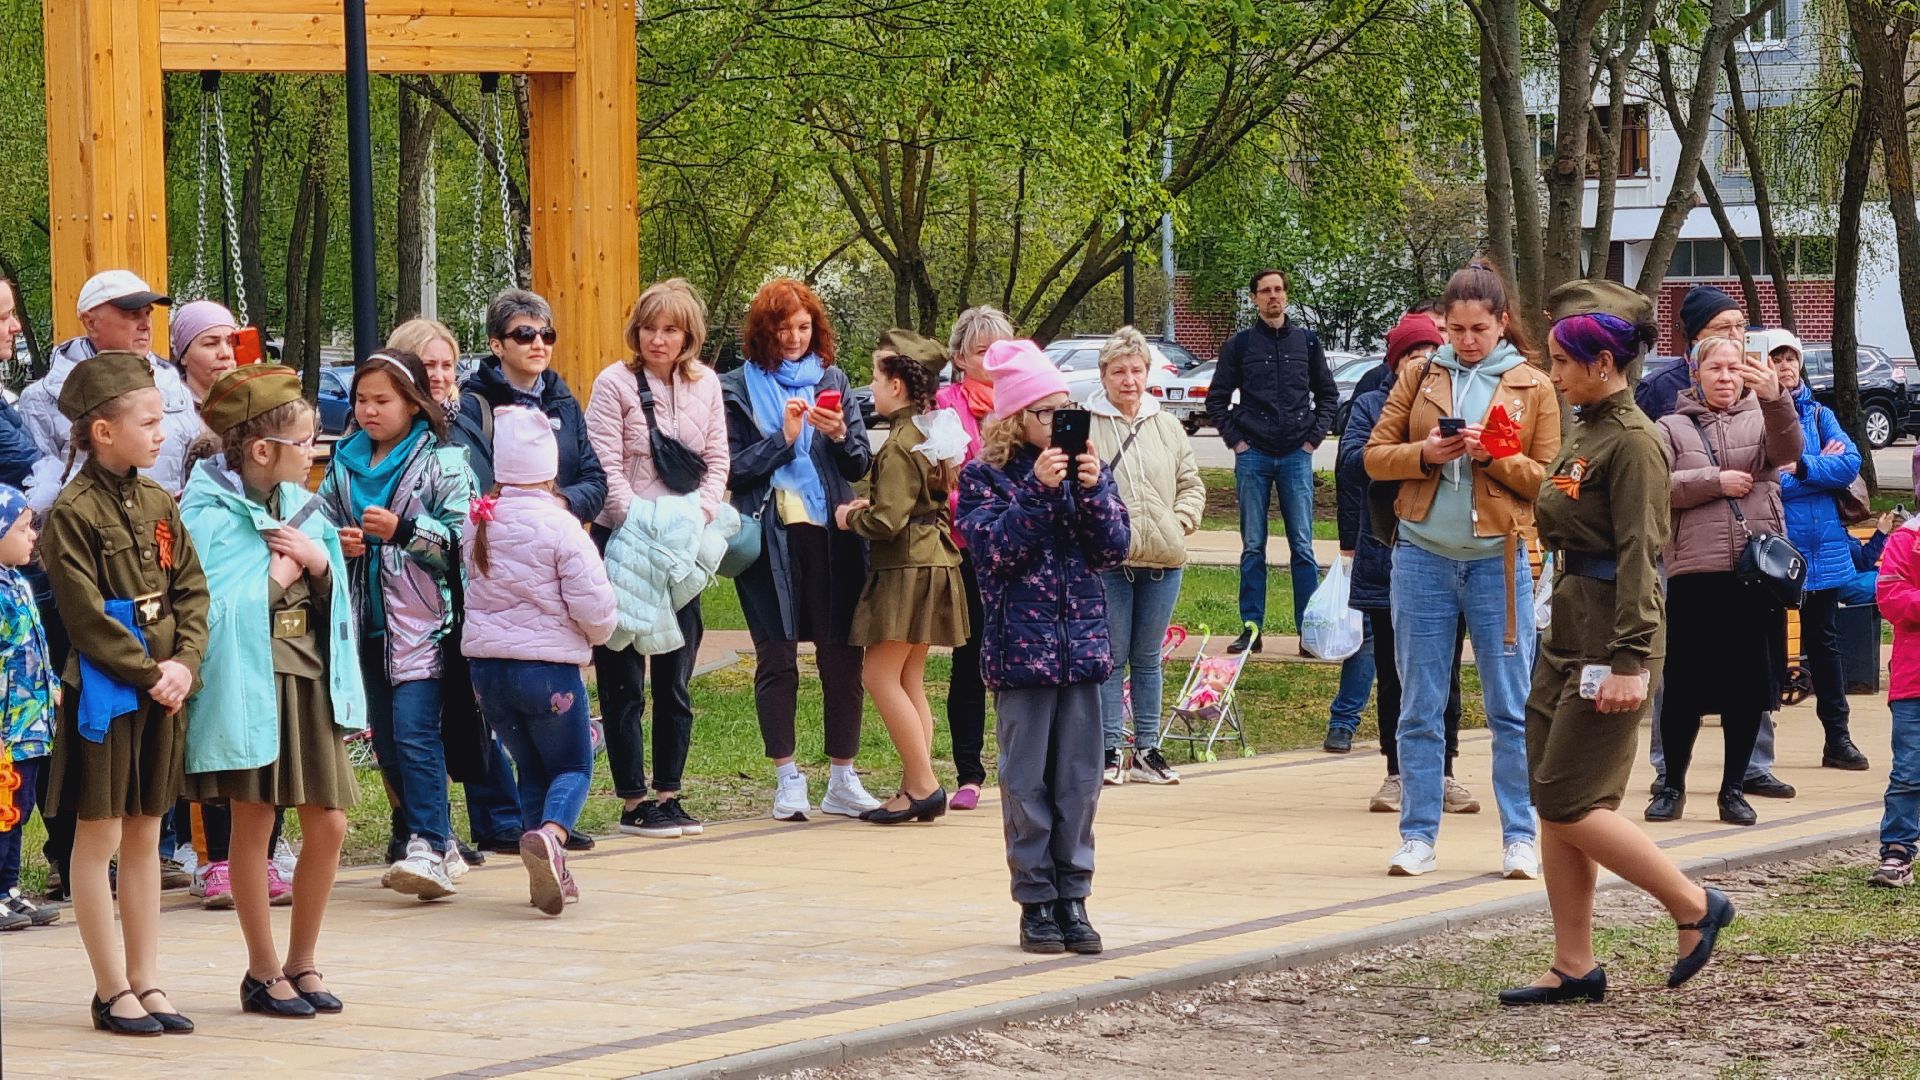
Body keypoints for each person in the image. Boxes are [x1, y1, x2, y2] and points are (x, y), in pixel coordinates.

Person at [1500, 279, 1736, 1007]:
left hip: (1613, 632)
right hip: (1568, 622)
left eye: (1566, 361)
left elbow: (1643, 552)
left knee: (1573, 799)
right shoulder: (1586, 425)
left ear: (1604, 362)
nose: (1554, 373)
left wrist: (1632, 658)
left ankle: (1695, 905)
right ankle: (1575, 965)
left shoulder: (1634, 440)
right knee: (1551, 799)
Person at [1363, 261, 1559, 879]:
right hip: (1421, 555)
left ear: (1503, 323)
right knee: (1419, 704)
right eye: (1456, 329)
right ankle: (1418, 836)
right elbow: (1372, 458)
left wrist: (1495, 454)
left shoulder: (1534, 386)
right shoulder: (1420, 376)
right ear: (1442, 326)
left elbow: (1549, 485)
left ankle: (1520, 837)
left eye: (1479, 328)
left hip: (1499, 561)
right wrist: (1425, 453)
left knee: (1509, 704)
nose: (1467, 340)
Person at [180, 365, 362, 1017]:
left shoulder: (301, 506)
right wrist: (277, 571)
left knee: (331, 821)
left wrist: (316, 566)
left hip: (306, 680)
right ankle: (262, 972)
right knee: (254, 821)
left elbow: (333, 597)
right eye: (306, 442)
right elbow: (208, 612)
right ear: (262, 451)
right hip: (250, 685)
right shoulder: (204, 514)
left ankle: (302, 962)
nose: (315, 453)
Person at [41, 351, 209, 1035]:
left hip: (162, 686)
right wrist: (152, 672)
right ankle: (110, 988)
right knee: (99, 833)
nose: (162, 431)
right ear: (103, 431)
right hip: (110, 692)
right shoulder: (71, 512)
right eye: (148, 420)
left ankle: (147, 980)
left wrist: (186, 662)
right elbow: (83, 618)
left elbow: (191, 589)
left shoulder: (157, 500)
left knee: (145, 833)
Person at [956, 339, 1130, 955]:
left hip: (1081, 651)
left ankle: (1074, 897)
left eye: (1067, 409)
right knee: (1027, 783)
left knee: (1079, 783)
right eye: (1048, 412)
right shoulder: (983, 478)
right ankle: (1036, 901)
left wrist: (1091, 493)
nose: (1062, 423)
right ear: (1015, 419)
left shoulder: (1090, 470)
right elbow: (995, 553)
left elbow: (1113, 548)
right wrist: (1035, 491)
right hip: (1020, 656)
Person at [317, 350, 476, 898]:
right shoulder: (343, 464)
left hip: (425, 629)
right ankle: (439, 840)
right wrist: (338, 544)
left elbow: (464, 543)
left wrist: (405, 530)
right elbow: (319, 525)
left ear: (413, 403)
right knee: (386, 741)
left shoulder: (445, 462)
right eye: (361, 400)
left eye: (382, 400)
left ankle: (428, 844)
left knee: (415, 735)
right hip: (363, 628)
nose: (368, 411)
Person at [722, 278, 882, 821]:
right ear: (763, 330)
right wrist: (783, 441)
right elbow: (732, 469)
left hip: (832, 534)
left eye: (804, 327)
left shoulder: (832, 379)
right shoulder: (737, 388)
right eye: (783, 327)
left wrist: (838, 434)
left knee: (843, 654)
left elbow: (859, 464)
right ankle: (787, 778)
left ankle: (842, 776)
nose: (794, 338)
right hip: (771, 536)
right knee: (777, 656)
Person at [584, 280, 730, 839]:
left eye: (670, 329)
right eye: (649, 327)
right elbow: (607, 468)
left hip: (682, 550)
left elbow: (718, 460)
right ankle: (631, 799)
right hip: (624, 543)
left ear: (688, 334)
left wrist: (697, 518)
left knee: (676, 676)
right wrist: (643, 526)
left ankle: (669, 792)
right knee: (623, 679)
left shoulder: (706, 385)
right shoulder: (613, 384)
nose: (658, 339)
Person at [1635, 287, 1793, 801]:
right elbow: (1653, 489)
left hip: (1753, 572)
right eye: (1715, 366)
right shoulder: (1667, 422)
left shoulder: (1764, 413)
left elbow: (1790, 451)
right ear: (1695, 371)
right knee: (1681, 684)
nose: (1727, 374)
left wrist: (1776, 398)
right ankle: (1671, 782)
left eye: (1734, 358)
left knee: (1750, 686)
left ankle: (1735, 787)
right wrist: (1713, 482)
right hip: (1693, 571)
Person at [463, 406, 617, 915]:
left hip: (488, 673)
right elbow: (594, 604)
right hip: (547, 670)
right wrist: (599, 636)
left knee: (529, 764)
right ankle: (553, 835)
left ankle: (547, 868)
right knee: (574, 762)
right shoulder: (562, 525)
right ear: (551, 469)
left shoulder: (479, 520)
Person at [392, 316, 524, 862]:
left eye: (448, 365)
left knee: (475, 706)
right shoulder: (391, 433)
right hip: (412, 595)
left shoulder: (469, 417)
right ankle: (426, 831)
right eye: (429, 365)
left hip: (472, 581)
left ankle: (499, 817)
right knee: (415, 722)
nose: (442, 376)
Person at [1338, 312, 1475, 813]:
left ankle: (1445, 772)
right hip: (1387, 554)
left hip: (1450, 553)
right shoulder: (1372, 404)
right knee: (1395, 671)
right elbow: (1351, 464)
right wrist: (1416, 452)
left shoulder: (1460, 402)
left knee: (1446, 674)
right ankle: (1396, 772)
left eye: (1430, 356)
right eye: (1413, 356)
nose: (1423, 365)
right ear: (1396, 362)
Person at [839, 330, 969, 823]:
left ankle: (922, 784)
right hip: (934, 561)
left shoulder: (898, 444)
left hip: (907, 569)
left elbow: (887, 521)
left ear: (896, 386)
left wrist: (849, 516)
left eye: (875, 376)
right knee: (909, 675)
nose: (870, 386)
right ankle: (914, 783)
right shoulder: (930, 433)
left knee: (877, 673)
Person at [1087, 326, 1202, 786]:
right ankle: (1111, 747)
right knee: (1112, 657)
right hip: (1111, 560)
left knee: (1148, 657)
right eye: (1119, 371)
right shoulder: (1088, 423)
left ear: (1148, 372)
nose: (1128, 380)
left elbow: (1191, 483)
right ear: (1104, 375)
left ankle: (1149, 749)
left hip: (1163, 558)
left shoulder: (1167, 425)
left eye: (1136, 370)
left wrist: (1181, 521)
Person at [1206, 269, 1337, 654]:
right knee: (1252, 546)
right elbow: (1216, 400)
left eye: (1278, 290)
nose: (1273, 296)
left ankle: (1307, 632)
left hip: (1297, 454)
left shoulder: (1307, 343)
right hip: (1254, 456)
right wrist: (1237, 442)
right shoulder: (1240, 346)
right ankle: (1251, 629)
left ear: (1286, 296)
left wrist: (1313, 439)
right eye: (1265, 291)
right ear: (1254, 299)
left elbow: (1328, 395)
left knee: (1303, 547)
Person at [1765, 329, 1872, 772]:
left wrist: (1805, 464)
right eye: (1777, 358)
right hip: (1772, 549)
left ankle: (1838, 739)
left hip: (1822, 551)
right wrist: (1813, 472)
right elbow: (1765, 478)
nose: (1786, 366)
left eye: (1792, 358)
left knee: (1824, 646)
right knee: (1766, 647)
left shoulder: (1820, 413)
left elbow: (1849, 464)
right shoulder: (1755, 414)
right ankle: (1754, 750)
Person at [931, 306, 1015, 810]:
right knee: (969, 661)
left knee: (1014, 660)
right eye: (983, 351)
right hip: (965, 549)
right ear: (960, 358)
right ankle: (969, 772)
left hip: (1018, 550)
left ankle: (1020, 764)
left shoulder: (1023, 403)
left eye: (1001, 349)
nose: (993, 359)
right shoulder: (944, 404)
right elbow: (942, 482)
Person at [19, 270, 201, 495]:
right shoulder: (42, 398)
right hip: (84, 528)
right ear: (90, 322)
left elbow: (198, 474)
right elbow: (36, 496)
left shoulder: (174, 386)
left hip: (168, 526)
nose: (145, 324)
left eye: (148, 313)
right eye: (133, 314)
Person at [456, 289, 606, 525]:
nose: (538, 344)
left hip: (559, 540)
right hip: (498, 543)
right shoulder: (473, 407)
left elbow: (595, 481)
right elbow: (464, 489)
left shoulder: (565, 403)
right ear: (497, 346)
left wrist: (561, 504)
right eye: (524, 335)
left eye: (546, 335)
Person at [0, 484, 59, 929]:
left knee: (20, 807)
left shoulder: (19, 583)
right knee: (2, 809)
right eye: (23, 529)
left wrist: (52, 686)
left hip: (32, 725)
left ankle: (10, 888)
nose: (33, 536)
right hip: (7, 727)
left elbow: (36, 646)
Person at [1871, 514, 1920, 888]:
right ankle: (1898, 849)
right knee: (1908, 770)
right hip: (1913, 679)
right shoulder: (1908, 538)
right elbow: (1890, 598)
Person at [1634, 285, 1746, 423]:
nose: (1735, 335)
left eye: (1740, 325)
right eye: (1723, 327)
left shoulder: (1754, 379)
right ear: (1696, 337)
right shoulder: (1657, 387)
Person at [168, 301, 240, 406]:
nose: (225, 353)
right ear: (183, 355)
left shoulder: (251, 402)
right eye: (211, 344)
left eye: (230, 343)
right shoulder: (163, 411)